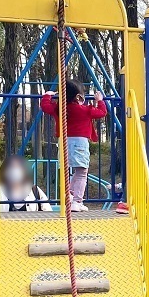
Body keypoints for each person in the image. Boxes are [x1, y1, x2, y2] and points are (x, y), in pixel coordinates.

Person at [40, 80, 107, 212]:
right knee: (82, 172)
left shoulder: (59, 109)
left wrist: (47, 95)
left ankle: (70, 194)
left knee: (70, 170)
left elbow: (45, 106)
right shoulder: (85, 110)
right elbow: (102, 112)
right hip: (80, 142)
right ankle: (77, 201)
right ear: (78, 97)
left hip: (64, 141)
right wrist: (100, 100)